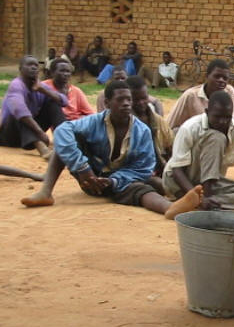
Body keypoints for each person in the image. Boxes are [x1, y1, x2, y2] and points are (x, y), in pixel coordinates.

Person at [20, 80, 202, 220]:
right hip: (88, 177)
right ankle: (45, 192)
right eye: (120, 100)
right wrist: (84, 170)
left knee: (143, 188)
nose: (126, 104)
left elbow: (143, 168)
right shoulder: (94, 122)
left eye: (128, 99)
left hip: (122, 182)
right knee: (67, 140)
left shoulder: (142, 131)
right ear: (107, 103)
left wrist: (113, 181)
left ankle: (169, 208)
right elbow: (61, 131)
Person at [163, 91, 234, 211]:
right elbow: (176, 170)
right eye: (217, 117)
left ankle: (204, 202)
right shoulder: (190, 127)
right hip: (180, 181)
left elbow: (222, 165)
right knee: (216, 137)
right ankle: (199, 199)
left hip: (209, 183)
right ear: (207, 112)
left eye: (227, 117)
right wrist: (196, 193)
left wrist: (205, 196)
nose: (223, 122)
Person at [0, 56, 68, 159]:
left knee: (53, 102)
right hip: (9, 136)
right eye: (29, 65)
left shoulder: (41, 86)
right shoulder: (16, 85)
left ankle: (67, 142)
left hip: (30, 137)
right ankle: (43, 150)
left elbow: (64, 101)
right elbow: (19, 110)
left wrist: (43, 90)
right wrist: (40, 133)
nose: (33, 67)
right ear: (20, 68)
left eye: (36, 65)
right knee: (21, 114)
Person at [125, 76, 174, 193]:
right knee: (161, 185)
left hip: (160, 167)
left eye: (144, 98)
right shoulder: (125, 123)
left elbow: (171, 147)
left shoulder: (157, 120)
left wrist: (170, 167)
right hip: (138, 172)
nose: (141, 103)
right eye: (135, 100)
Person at [167, 59, 234, 130]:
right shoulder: (191, 96)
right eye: (217, 76)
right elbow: (170, 124)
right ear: (207, 76)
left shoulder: (229, 92)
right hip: (196, 137)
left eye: (225, 78)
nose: (221, 80)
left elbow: (233, 119)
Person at [97, 66, 163, 116]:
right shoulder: (104, 94)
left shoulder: (132, 92)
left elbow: (157, 102)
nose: (120, 81)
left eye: (123, 78)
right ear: (111, 79)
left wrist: (159, 120)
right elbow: (102, 115)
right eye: (117, 79)